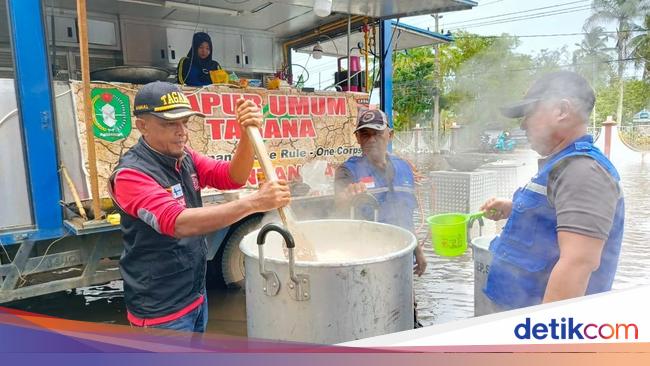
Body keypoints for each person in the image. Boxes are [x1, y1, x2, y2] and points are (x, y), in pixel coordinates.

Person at [108, 81, 290, 332]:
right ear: (142, 126)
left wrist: (247, 134)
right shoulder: (132, 174)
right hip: (160, 311)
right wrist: (256, 202)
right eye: (169, 123)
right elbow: (178, 222)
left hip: (195, 296)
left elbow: (231, 177)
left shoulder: (185, 157)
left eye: (185, 121)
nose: (181, 131)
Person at [480, 71, 625, 312]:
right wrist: (512, 208)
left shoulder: (583, 171)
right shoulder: (560, 165)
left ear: (561, 111)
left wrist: (544, 341)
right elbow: (552, 215)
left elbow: (577, 264)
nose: (522, 124)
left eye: (529, 113)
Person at [334, 109, 427, 327]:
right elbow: (338, 202)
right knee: (368, 318)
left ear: (390, 135)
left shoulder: (404, 168)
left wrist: (418, 252)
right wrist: (347, 196)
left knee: (405, 314)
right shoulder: (348, 171)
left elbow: (406, 214)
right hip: (367, 263)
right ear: (357, 138)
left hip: (402, 259)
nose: (371, 139)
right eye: (365, 134)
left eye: (377, 133)